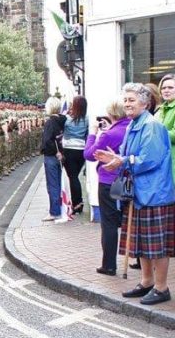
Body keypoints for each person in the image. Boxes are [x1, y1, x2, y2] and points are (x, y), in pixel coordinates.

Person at [96, 82, 174, 305]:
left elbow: (149, 159)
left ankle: (161, 288)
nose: (127, 104)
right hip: (140, 193)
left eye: (132, 100)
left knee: (157, 246)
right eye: (126, 100)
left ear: (145, 102)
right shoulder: (133, 125)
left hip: (154, 194)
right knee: (142, 243)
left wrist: (123, 161)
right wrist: (115, 159)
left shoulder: (152, 126)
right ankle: (147, 282)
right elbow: (126, 155)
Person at [84, 99, 129, 275]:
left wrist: (93, 134)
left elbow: (89, 154)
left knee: (109, 223)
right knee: (131, 220)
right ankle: (140, 261)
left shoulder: (109, 134)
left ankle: (109, 264)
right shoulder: (131, 128)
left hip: (109, 181)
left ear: (111, 114)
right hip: (129, 180)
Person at [40, 96, 66, 222]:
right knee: (59, 183)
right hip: (61, 154)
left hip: (52, 156)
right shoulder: (63, 120)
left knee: (52, 185)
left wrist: (55, 151)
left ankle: (54, 211)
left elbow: (47, 141)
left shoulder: (50, 122)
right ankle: (60, 206)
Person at [62, 96, 89, 213]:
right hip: (81, 150)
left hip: (69, 150)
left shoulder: (67, 120)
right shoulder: (87, 119)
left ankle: (77, 203)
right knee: (75, 177)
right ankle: (77, 203)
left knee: (72, 177)